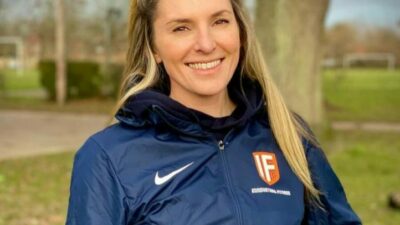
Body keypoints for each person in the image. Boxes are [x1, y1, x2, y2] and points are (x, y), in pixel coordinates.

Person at [66, 0, 362, 224]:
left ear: (240, 32)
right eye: (182, 27)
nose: (206, 44)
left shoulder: (290, 135)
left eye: (220, 22)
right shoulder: (107, 157)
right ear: (154, 46)